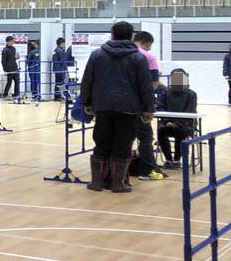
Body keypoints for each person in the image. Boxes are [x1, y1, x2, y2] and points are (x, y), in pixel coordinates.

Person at [80, 21, 155, 194]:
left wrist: (86, 102)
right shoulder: (138, 57)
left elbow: (87, 81)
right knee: (122, 146)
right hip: (129, 108)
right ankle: (118, 184)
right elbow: (145, 86)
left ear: (112, 34)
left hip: (102, 107)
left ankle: (97, 182)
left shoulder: (97, 54)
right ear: (131, 36)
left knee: (101, 144)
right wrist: (148, 109)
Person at [131, 30, 166, 180]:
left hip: (116, 104)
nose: (149, 49)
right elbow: (153, 83)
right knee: (145, 137)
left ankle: (117, 172)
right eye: (149, 46)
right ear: (145, 43)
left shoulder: (120, 54)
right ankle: (146, 171)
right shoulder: (148, 57)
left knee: (122, 138)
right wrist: (148, 106)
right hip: (138, 105)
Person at [157, 68, 198, 170]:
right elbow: (160, 108)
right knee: (160, 130)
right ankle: (168, 159)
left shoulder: (191, 94)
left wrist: (178, 123)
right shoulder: (165, 93)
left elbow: (190, 111)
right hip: (167, 123)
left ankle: (177, 160)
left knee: (181, 131)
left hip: (186, 124)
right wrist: (168, 122)